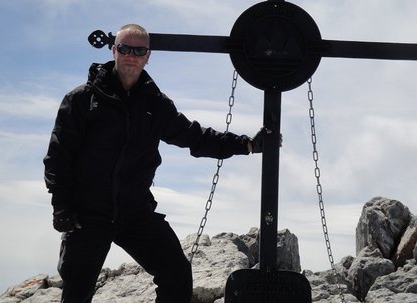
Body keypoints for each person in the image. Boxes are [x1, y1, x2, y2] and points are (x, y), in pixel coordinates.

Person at [43, 23, 266, 303]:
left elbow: (193, 137)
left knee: (176, 272)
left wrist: (246, 145)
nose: (130, 55)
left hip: (134, 212)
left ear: (148, 56)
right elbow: (58, 157)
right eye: (124, 48)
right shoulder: (81, 100)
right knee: (78, 289)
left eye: (139, 50)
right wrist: (62, 205)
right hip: (87, 215)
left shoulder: (154, 104)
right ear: (113, 50)